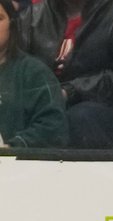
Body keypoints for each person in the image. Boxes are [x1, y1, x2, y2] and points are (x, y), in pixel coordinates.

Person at [29, 0, 113, 148]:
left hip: (112, 107)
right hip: (49, 103)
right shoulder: (34, 16)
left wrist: (70, 91)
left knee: (76, 118)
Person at [0, 0, 68, 147]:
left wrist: (12, 147)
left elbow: (53, 128)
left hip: (18, 165)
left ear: (11, 24)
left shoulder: (35, 73)